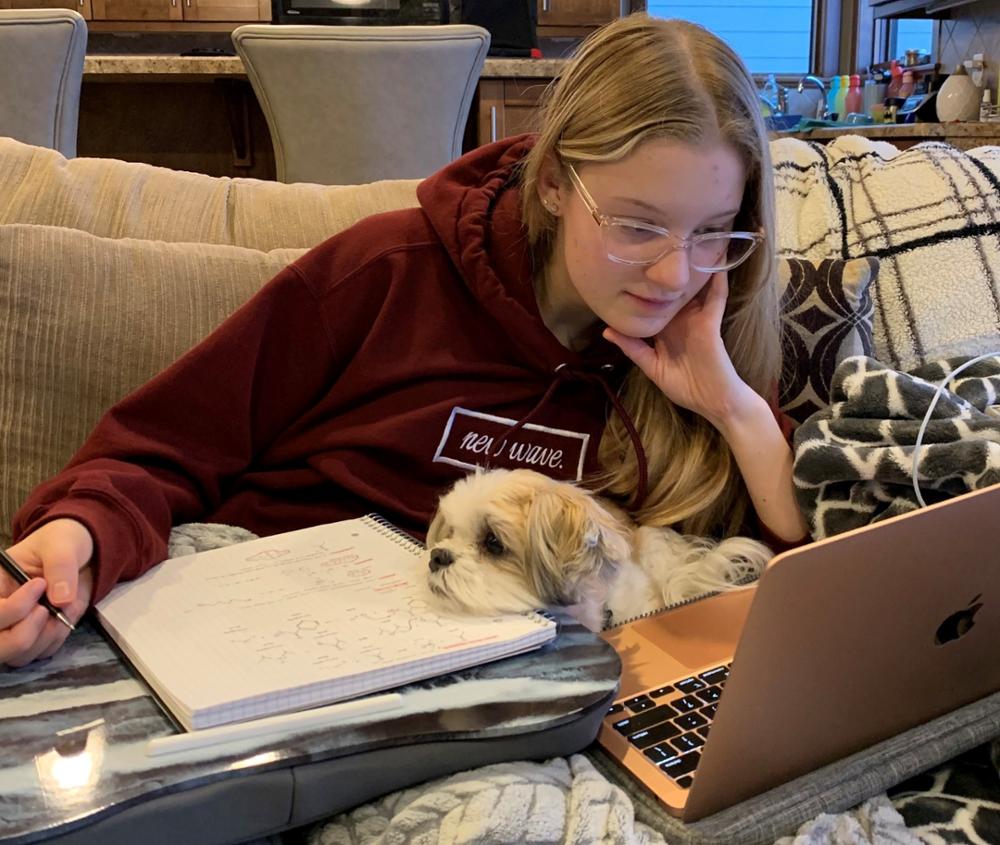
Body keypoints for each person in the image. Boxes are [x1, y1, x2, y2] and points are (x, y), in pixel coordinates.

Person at [0, 13, 808, 667]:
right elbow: (160, 446)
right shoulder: (383, 273)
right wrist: (79, 537)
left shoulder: (702, 331)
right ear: (557, 184)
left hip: (534, 694)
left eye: (713, 232)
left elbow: (779, 593)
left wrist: (734, 408)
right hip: (282, 645)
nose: (674, 273)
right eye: (637, 225)